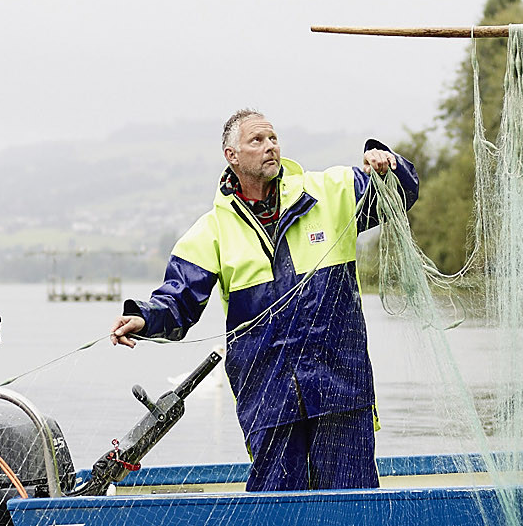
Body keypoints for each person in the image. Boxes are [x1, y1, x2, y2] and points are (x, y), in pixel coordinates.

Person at [110, 110, 419, 491]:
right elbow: (178, 301)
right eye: (257, 140)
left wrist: (387, 165)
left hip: (341, 388)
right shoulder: (211, 232)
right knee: (275, 517)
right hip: (269, 399)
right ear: (231, 156)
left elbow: (401, 193)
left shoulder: (329, 191)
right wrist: (143, 319)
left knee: (351, 508)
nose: (270, 146)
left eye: (273, 138)